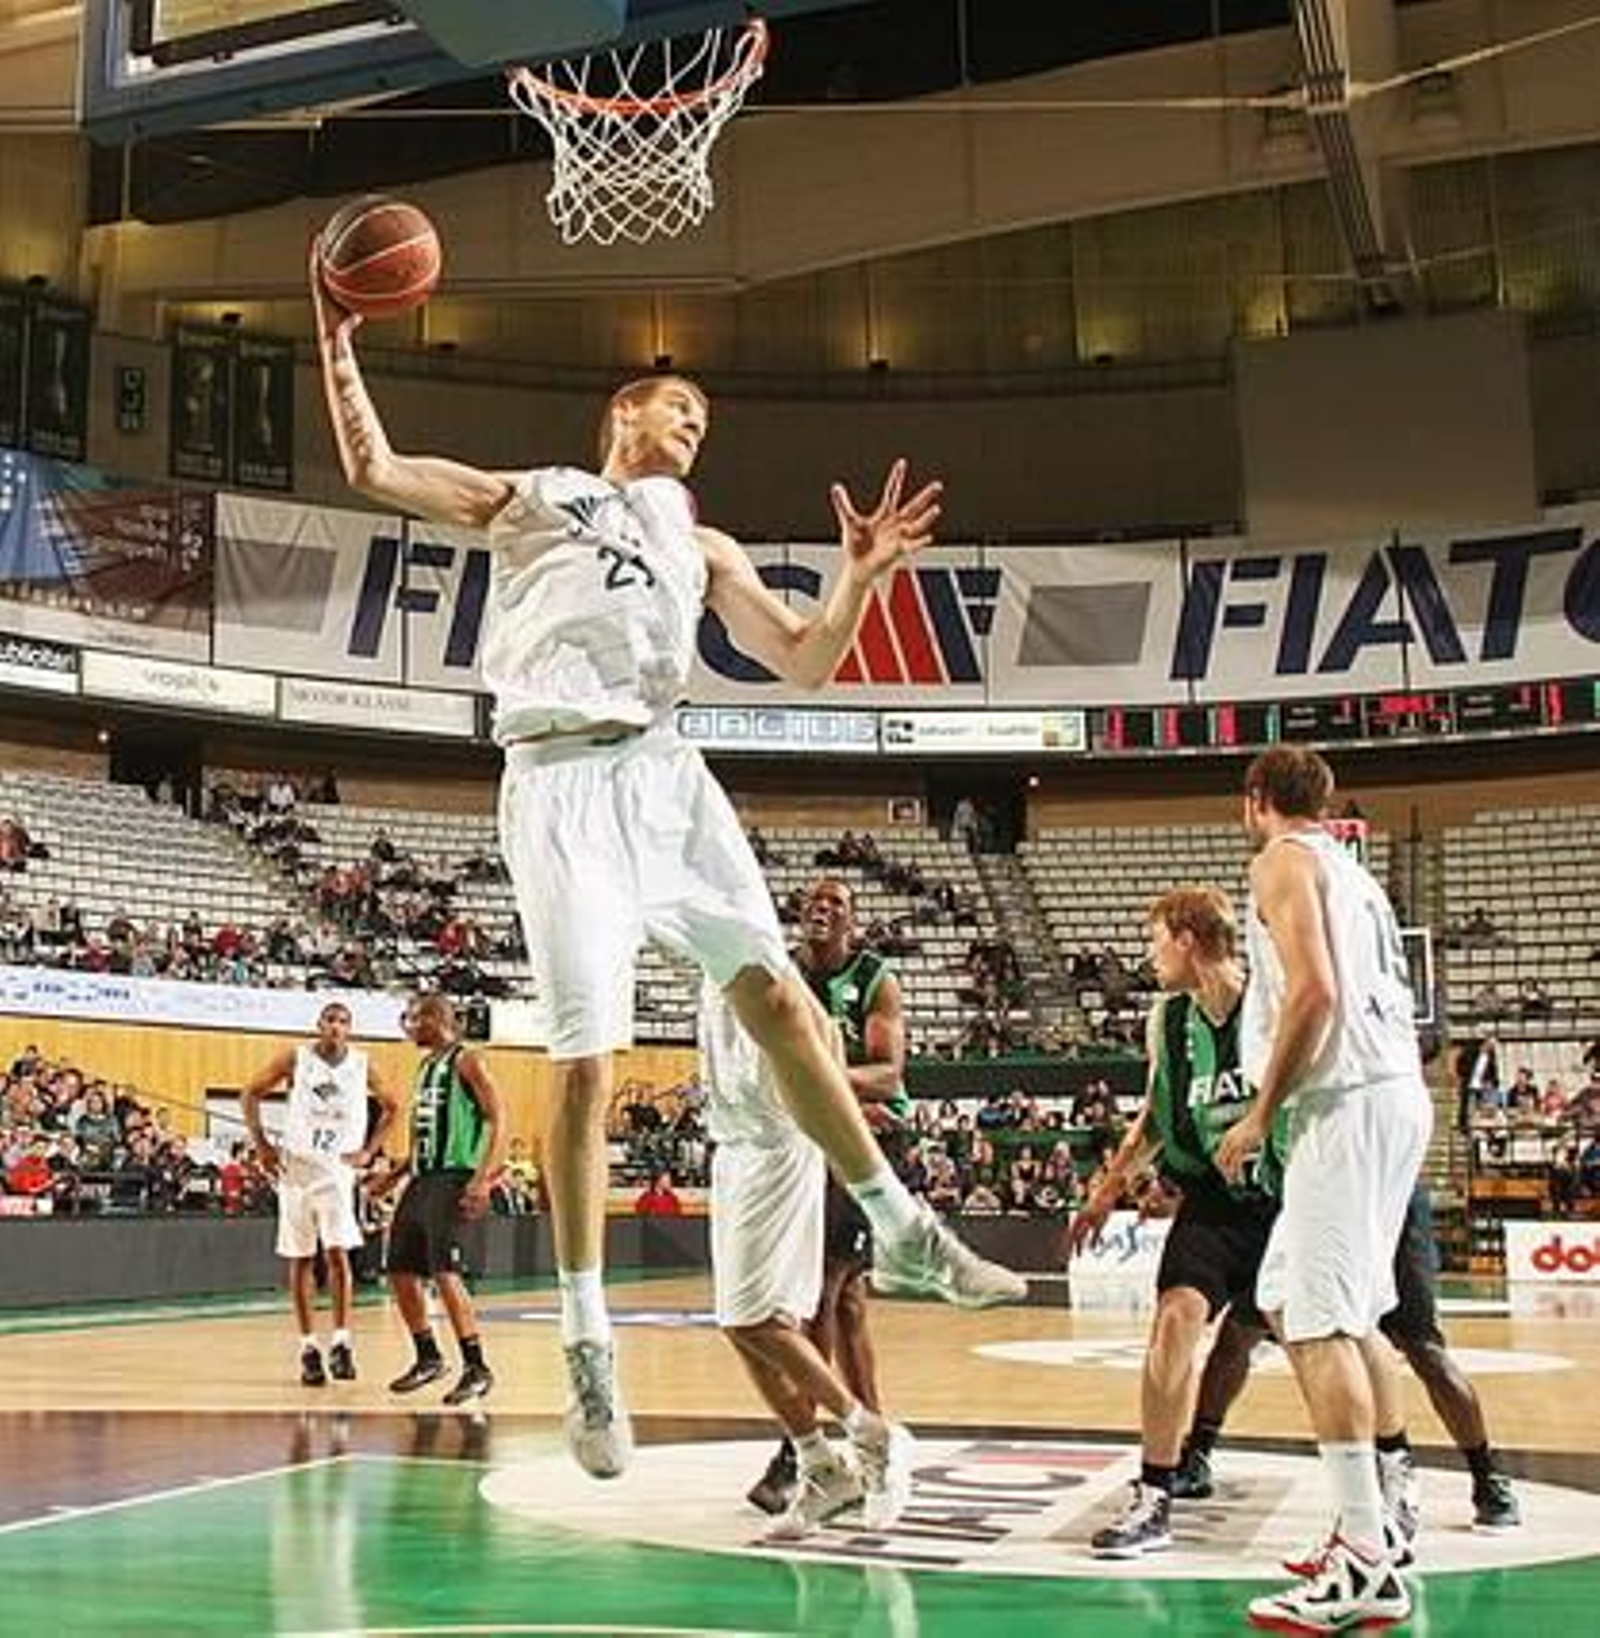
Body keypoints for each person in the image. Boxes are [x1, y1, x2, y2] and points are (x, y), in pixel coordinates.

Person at [313, 254, 1026, 1479]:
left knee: (779, 998)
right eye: (672, 403)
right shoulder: (541, 496)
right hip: (559, 785)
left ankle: (904, 1227)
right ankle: (590, 1343)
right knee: (587, 1073)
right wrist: (336, 333)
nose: (692, 420)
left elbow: (803, 663)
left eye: (702, 414)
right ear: (618, 418)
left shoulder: (706, 545)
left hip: (666, 771)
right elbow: (376, 469)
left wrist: (857, 578)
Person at [1213, 748, 1432, 1633]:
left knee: (1319, 1323)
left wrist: (1261, 1113)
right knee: (1302, 1304)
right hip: (1388, 1096)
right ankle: (1372, 1521)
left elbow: (1315, 994)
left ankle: (1369, 1563)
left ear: (1255, 800)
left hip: (1344, 1103)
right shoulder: (1354, 870)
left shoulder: (1282, 860)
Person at [1068, 885, 1286, 1559]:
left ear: (1188, 939)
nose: (1149, 955)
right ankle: (1154, 1493)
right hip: (1215, 1201)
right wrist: (1108, 1187)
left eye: (1156, 939)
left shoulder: (1273, 1007)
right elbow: (1156, 1118)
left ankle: (1374, 1484)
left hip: (1288, 1200)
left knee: (1306, 1342)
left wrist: (1260, 1124)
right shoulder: (1166, 1019)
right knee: (1174, 1318)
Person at [1171, 1183, 1521, 1533]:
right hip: (1308, 1204)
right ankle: (1198, 1453)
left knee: (1421, 1347)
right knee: (1238, 1332)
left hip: (1383, 1201)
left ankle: (1484, 1475)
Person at [700, 975, 914, 1540]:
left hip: (779, 1149)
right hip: (733, 1150)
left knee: (796, 1311)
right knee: (738, 1324)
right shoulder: (708, 969)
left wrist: (839, 1118)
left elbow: (830, 1054)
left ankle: (869, 1431)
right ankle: (818, 1462)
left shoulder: (774, 972)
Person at [747, 876, 914, 1517]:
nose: (822, 909)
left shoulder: (876, 978)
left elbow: (889, 1073)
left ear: (853, 920)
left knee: (823, 1289)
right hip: (801, 1141)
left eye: (836, 903)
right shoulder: (780, 972)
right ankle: (874, 1438)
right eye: (813, 902)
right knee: (846, 1305)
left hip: (861, 1143)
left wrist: (825, 1089)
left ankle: (800, 1450)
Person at [241, 1001, 400, 1387]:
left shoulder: (362, 1064)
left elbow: (394, 1107)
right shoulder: (297, 1059)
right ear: (318, 1025)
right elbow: (250, 1093)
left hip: (336, 1171)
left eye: (342, 1021)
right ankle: (308, 1346)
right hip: (295, 1170)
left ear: (350, 1029)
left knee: (338, 1254)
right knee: (300, 1258)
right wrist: (261, 1143)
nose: (335, 1026)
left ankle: (343, 1341)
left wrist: (369, 1150)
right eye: (329, 1020)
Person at [383, 992, 508, 1407]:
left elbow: (497, 1117)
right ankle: (428, 1356)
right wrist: (396, 1172)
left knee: (445, 1271)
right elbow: (426, 1133)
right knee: (400, 1269)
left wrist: (483, 1178)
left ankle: (477, 1366)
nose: (408, 1025)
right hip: (422, 1179)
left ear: (436, 1018)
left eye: (414, 1017)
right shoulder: (425, 1066)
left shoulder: (467, 1060)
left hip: (455, 1178)